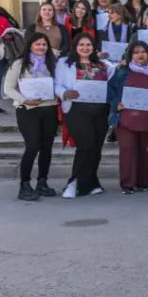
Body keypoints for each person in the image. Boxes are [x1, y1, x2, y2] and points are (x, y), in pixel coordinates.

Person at [55, 34, 115, 198]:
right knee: (86, 146)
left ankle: (90, 182)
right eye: (81, 44)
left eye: (88, 45)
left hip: (100, 110)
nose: (85, 48)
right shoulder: (64, 63)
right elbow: (57, 84)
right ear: (75, 46)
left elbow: (113, 73)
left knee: (96, 148)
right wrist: (65, 93)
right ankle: (73, 182)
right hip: (76, 109)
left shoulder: (101, 63)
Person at [4, 33, 59, 200]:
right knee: (33, 145)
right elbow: (8, 89)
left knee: (46, 148)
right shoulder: (19, 64)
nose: (41, 47)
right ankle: (25, 184)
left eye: (44, 44)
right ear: (29, 45)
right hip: (27, 110)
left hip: (49, 109)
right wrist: (25, 99)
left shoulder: (53, 63)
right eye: (38, 44)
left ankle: (42, 182)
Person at [109, 41, 148, 194]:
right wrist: (116, 104)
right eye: (136, 52)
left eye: (143, 51)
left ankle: (142, 182)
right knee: (128, 150)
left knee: (146, 152)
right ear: (131, 56)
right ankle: (127, 184)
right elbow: (110, 90)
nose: (140, 55)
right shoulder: (122, 72)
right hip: (125, 118)